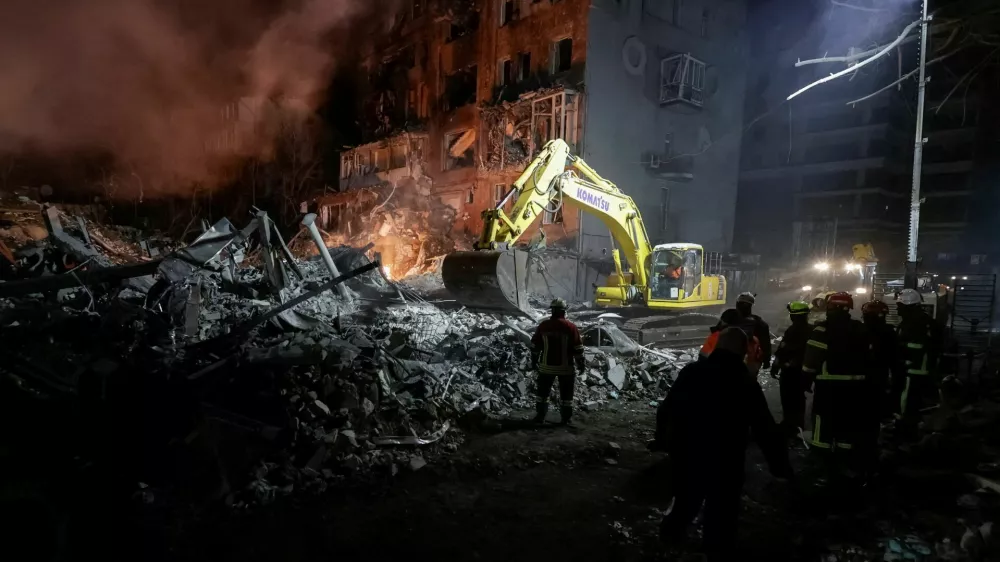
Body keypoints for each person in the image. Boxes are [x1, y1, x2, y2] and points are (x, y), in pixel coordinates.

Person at [659, 327, 792, 560]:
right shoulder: (744, 382)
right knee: (722, 512)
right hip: (726, 460)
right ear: (742, 352)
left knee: (686, 501)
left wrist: (663, 439)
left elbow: (667, 409)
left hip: (689, 453)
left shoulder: (692, 372)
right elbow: (765, 429)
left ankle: (667, 539)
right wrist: (779, 467)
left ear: (718, 346)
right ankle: (715, 550)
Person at [802, 292, 870, 458]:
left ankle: (821, 455)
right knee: (847, 419)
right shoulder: (861, 329)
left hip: (828, 387)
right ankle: (844, 455)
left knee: (823, 419)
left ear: (833, 307)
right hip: (855, 386)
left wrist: (805, 381)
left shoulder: (822, 329)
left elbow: (811, 361)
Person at [893, 288, 944, 436]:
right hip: (917, 369)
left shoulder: (916, 323)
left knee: (908, 400)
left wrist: (900, 348)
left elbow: (919, 346)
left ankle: (905, 430)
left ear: (908, 306)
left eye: (899, 306)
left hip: (914, 369)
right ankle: (912, 427)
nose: (897, 309)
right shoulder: (921, 321)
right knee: (913, 401)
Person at [531, 298, 585, 425]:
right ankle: (566, 418)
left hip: (546, 367)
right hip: (566, 369)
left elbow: (535, 347)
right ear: (564, 311)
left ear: (552, 311)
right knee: (566, 396)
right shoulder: (571, 327)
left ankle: (540, 416)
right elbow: (578, 349)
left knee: (543, 394)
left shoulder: (543, 326)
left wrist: (534, 362)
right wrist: (581, 364)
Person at [771, 301, 812, 436]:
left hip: (790, 371)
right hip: (803, 371)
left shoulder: (792, 330)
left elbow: (783, 349)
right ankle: (797, 425)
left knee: (788, 398)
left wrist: (776, 366)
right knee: (799, 399)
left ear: (793, 316)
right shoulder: (812, 330)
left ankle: (791, 426)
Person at [861, 300, 901, 423]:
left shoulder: (859, 331)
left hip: (863, 378)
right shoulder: (890, 332)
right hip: (881, 377)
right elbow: (895, 360)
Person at [735, 292, 772, 371]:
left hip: (729, 360)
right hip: (750, 362)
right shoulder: (759, 322)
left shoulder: (729, 319)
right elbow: (766, 344)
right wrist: (767, 360)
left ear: (737, 304)